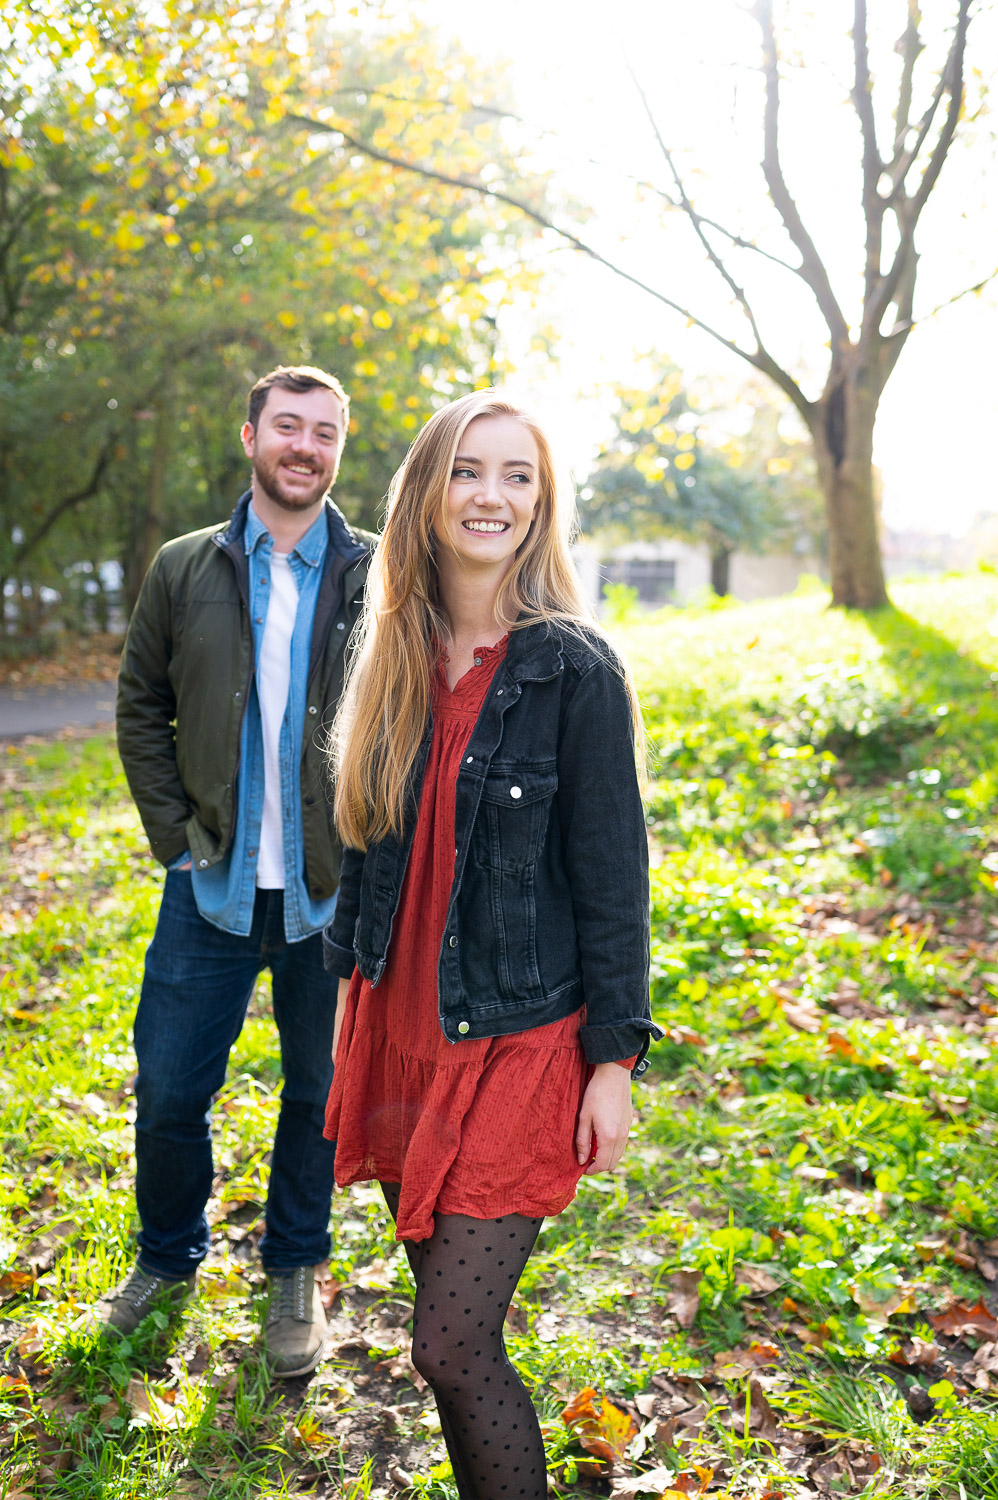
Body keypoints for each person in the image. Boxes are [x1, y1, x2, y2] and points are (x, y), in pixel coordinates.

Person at [323, 391, 661, 1496]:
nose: (492, 496)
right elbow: (372, 846)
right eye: (470, 470)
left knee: (448, 1346)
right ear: (428, 492)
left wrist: (611, 1063)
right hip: (397, 1028)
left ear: (541, 504)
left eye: (518, 476)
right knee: (451, 1353)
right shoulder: (389, 652)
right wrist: (346, 1003)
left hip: (515, 1040)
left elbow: (613, 881)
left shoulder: (573, 668)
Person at [106, 365, 370, 1377]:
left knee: (317, 1095)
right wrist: (175, 837)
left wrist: (372, 853)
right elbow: (140, 705)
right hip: (208, 892)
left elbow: (406, 722)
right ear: (250, 435)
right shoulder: (183, 567)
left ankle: (293, 1271)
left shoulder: (379, 573)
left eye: (326, 433)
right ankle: (167, 1259)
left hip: (330, 895)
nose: (305, 447)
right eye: (288, 427)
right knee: (170, 1092)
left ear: (340, 449)